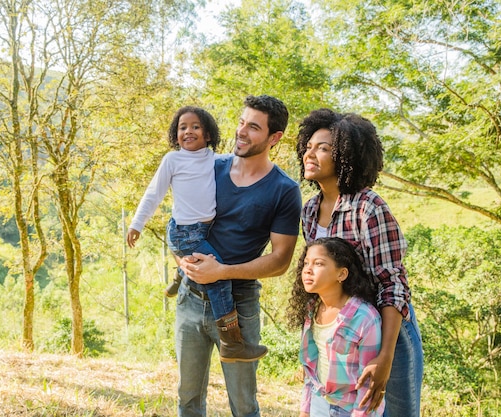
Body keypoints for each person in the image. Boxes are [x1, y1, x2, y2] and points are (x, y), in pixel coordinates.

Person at [178, 95, 302, 417]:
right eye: (241, 122)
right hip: (190, 298)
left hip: (239, 306)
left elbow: (280, 260)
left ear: (275, 138)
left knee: (244, 406)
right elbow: (181, 221)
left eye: (254, 127)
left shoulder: (284, 190)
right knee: (188, 400)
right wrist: (181, 260)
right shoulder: (210, 166)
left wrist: (221, 271)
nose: (242, 132)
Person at [296, 108, 423, 417]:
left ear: (345, 155)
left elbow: (392, 285)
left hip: (385, 330)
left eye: (323, 148)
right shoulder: (310, 211)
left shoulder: (369, 207)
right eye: (309, 147)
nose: (310, 154)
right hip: (340, 333)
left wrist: (385, 357)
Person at [126, 105, 267, 363]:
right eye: (182, 127)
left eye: (195, 127)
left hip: (203, 230)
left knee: (208, 255)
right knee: (219, 277)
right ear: (175, 134)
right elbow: (153, 193)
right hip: (185, 234)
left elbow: (242, 162)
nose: (188, 131)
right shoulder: (173, 160)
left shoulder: (214, 159)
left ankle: (180, 276)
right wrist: (137, 224)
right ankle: (231, 342)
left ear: (208, 134)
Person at [287, 237, 384, 417]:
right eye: (306, 263)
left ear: (342, 274)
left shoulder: (364, 318)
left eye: (318, 263)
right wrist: (304, 411)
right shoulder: (312, 309)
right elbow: (311, 369)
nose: (307, 269)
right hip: (319, 403)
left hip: (350, 409)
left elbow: (368, 385)